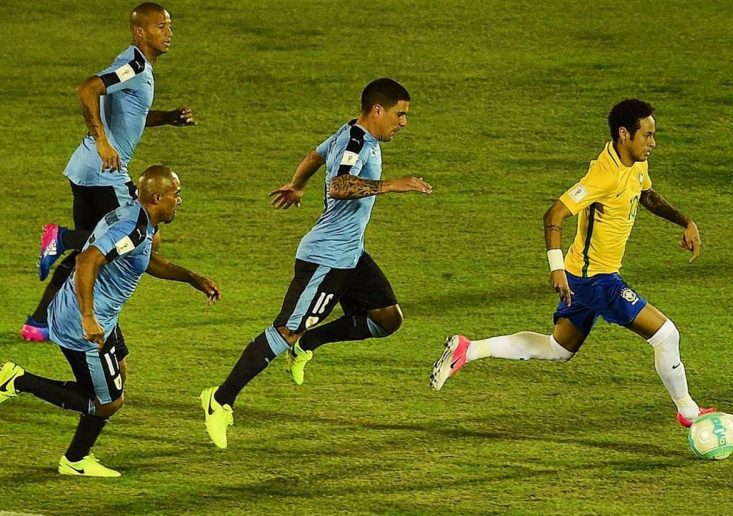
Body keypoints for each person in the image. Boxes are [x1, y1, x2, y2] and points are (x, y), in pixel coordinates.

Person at [430, 99, 729, 428]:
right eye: (647, 135)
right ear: (624, 134)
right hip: (596, 280)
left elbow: (646, 194)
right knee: (666, 335)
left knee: (559, 348)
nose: (653, 143)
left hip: (585, 276)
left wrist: (685, 221)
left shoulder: (635, 163)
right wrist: (555, 267)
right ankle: (689, 412)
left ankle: (469, 349)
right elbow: (553, 215)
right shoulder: (604, 175)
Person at [200, 78, 432, 449]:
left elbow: (314, 156)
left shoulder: (349, 132)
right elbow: (339, 186)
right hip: (326, 259)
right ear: (377, 110)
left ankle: (310, 341)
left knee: (387, 319)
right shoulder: (356, 142)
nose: (403, 123)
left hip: (351, 254)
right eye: (399, 114)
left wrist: (297, 185)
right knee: (285, 331)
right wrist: (390, 185)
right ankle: (220, 399)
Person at [1, 165, 220, 477]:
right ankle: (17, 381)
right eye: (176, 194)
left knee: (118, 373)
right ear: (157, 198)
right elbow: (86, 259)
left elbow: (144, 259)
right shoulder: (133, 228)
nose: (180, 200)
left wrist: (192, 278)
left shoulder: (138, 218)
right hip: (85, 323)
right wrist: (88, 319)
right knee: (109, 402)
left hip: (95, 313)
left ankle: (77, 457)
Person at [21, 2, 195, 362]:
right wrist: (101, 140)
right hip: (105, 171)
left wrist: (167, 118)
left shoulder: (136, 67)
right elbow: (87, 89)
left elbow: (131, 115)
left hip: (87, 170)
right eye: (161, 26)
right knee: (145, 235)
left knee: (88, 253)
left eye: (169, 26)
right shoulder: (134, 65)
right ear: (140, 32)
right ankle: (60, 238)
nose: (169, 33)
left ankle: (38, 322)